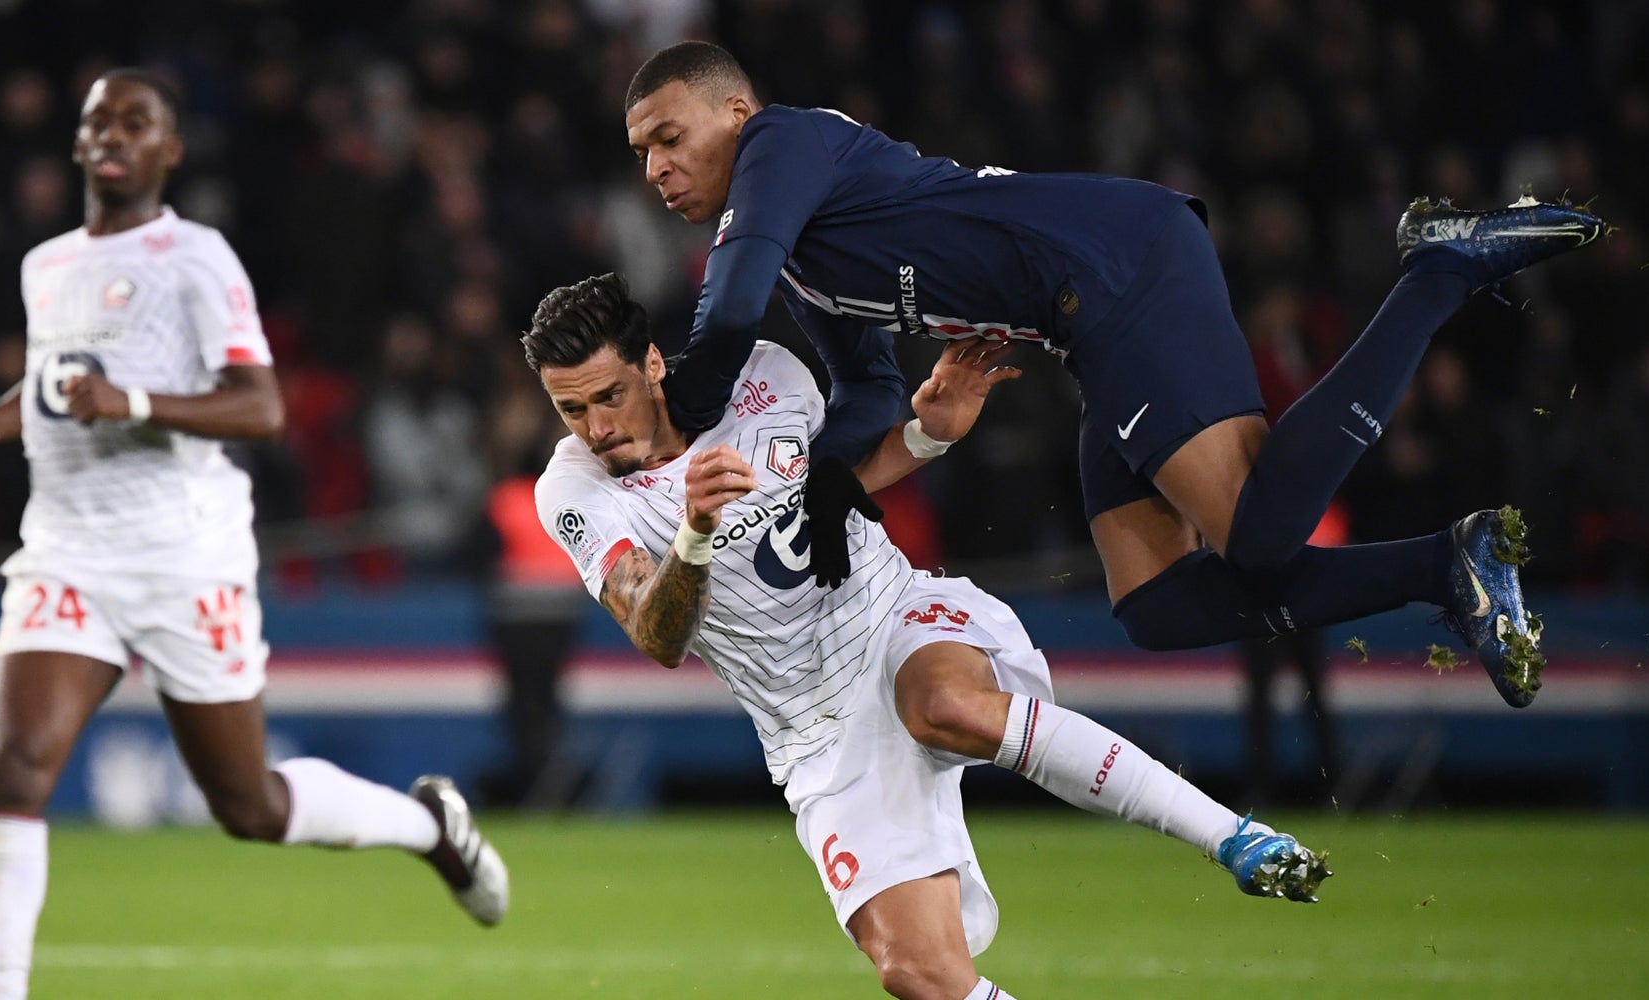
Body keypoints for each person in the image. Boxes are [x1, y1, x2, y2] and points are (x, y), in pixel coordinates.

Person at [621, 41, 1613, 708]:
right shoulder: (802, 256)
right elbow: (869, 393)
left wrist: (674, 418)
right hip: (1086, 321)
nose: (657, 167)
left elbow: (731, 310)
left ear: (736, 112)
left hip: (1111, 268)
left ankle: (1436, 274)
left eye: (671, 137)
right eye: (640, 153)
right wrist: (828, 486)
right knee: (1157, 606)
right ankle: (1445, 566)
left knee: (1260, 536)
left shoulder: (780, 141)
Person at [526, 274, 1330, 1000]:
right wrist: (694, 532)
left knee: (944, 703)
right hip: (813, 731)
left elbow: (831, 487)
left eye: (608, 396)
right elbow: (658, 635)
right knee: (920, 975)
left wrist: (927, 435)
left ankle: (1234, 838)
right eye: (572, 410)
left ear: (653, 365)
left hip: (891, 618)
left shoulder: (763, 376)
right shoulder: (572, 489)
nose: (597, 427)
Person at [0, 70, 506, 1000]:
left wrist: (131, 402)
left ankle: (429, 829)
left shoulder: (195, 258)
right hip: (67, 550)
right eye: (99, 120)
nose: (114, 134)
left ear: (171, 150)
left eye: (137, 122)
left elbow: (262, 406)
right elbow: (53, 388)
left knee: (249, 804)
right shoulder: (46, 265)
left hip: (184, 553)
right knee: (17, 765)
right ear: (78, 143)